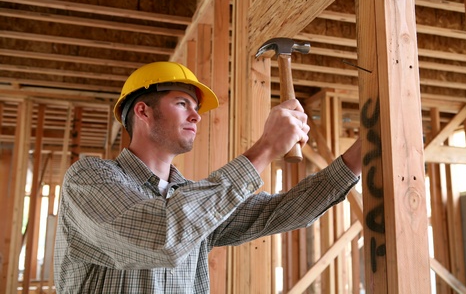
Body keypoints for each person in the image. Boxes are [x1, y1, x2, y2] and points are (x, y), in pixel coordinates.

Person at [54, 61, 361, 293]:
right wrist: (266, 147)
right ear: (143, 112)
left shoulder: (190, 199)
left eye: (196, 107)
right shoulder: (89, 179)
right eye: (181, 103)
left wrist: (360, 154)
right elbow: (161, 237)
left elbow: (279, 212)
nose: (196, 115)